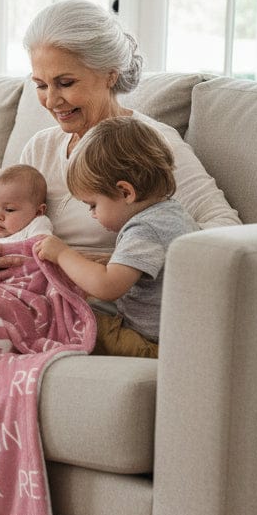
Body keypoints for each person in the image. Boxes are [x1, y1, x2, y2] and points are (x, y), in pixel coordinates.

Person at [0, 0, 240, 275]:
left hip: (96, 304)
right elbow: (5, 228)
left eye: (65, 82)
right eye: (41, 85)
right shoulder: (41, 149)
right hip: (27, 289)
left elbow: (226, 231)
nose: (51, 101)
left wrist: (124, 263)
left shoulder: (150, 145)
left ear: (110, 74)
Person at [35, 115, 198, 358]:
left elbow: (107, 286)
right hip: (172, 335)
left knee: (70, 320)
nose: (92, 214)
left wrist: (63, 254)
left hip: (151, 343)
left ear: (125, 191)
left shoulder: (145, 228)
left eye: (92, 205)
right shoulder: (171, 213)